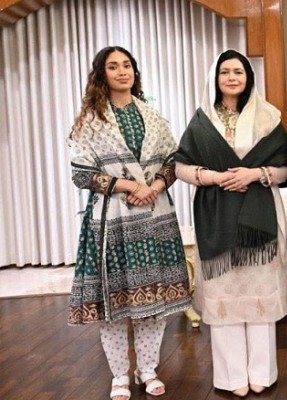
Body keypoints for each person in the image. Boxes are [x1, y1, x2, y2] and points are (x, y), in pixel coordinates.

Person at [67, 46, 191, 400]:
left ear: (135, 72)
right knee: (115, 303)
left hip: (155, 216)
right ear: (101, 74)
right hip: (112, 221)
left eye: (127, 65)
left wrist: (154, 187)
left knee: (154, 299)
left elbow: (173, 162)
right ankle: (119, 375)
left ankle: (148, 369)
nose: (122, 71)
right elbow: (81, 173)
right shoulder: (90, 121)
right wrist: (130, 186)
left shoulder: (153, 116)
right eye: (113, 66)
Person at [175, 49, 287, 398]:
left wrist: (255, 174)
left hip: (261, 221)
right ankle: (231, 377)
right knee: (224, 295)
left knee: (259, 297)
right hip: (216, 218)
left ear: (248, 77)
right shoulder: (202, 121)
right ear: (215, 78)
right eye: (224, 72)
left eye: (238, 71)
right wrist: (214, 177)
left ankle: (262, 372)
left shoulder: (268, 117)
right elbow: (179, 166)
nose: (231, 77)